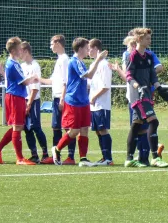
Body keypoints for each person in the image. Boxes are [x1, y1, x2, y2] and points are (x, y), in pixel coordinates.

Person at [116, 28, 168, 167]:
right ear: (139, 40)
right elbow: (129, 76)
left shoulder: (148, 56)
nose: (150, 40)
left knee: (136, 126)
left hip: (146, 94)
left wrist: (160, 89)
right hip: (138, 96)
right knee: (153, 122)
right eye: (147, 38)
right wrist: (138, 87)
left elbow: (153, 76)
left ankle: (129, 159)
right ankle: (155, 157)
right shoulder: (132, 56)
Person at [52, 37, 108, 166]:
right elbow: (88, 75)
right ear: (81, 48)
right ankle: (57, 149)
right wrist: (99, 59)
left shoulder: (81, 62)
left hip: (83, 101)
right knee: (74, 131)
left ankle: (83, 158)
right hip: (74, 101)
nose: (88, 50)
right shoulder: (74, 61)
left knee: (84, 129)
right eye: (87, 48)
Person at [0, 37, 37, 165]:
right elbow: (25, 81)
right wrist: (35, 77)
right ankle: (19, 158)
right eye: (19, 48)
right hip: (15, 97)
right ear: (14, 50)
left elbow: (13, 80)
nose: (22, 50)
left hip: (17, 96)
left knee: (18, 126)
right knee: (17, 126)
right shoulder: (13, 64)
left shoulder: (13, 63)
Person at [39, 35, 76, 164]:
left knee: (68, 128)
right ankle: (56, 156)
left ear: (58, 44)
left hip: (62, 98)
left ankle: (71, 157)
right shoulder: (59, 59)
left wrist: (62, 98)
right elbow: (52, 80)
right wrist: (37, 78)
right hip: (57, 97)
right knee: (56, 127)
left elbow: (66, 81)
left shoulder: (65, 59)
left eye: (52, 44)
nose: (50, 46)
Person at [20, 42, 49, 163]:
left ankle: (45, 154)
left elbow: (35, 87)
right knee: (27, 129)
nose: (18, 54)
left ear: (26, 51)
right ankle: (34, 154)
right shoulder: (21, 66)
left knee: (36, 127)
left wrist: (29, 103)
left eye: (20, 51)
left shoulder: (34, 65)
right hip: (23, 99)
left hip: (33, 100)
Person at [88, 38, 113, 166]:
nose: (88, 51)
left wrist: (93, 97)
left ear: (96, 48)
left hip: (101, 104)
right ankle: (104, 157)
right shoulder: (93, 64)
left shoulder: (103, 64)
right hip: (94, 105)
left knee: (103, 130)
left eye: (89, 48)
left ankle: (108, 158)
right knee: (98, 131)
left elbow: (105, 86)